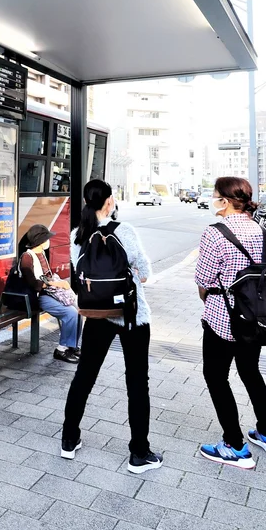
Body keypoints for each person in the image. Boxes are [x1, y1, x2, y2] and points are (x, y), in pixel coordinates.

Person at [61, 178, 163, 473]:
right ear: (109, 202)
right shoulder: (124, 230)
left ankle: (69, 440)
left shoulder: (78, 234)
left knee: (84, 376)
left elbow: (81, 273)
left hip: (97, 315)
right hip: (132, 316)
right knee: (137, 382)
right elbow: (144, 272)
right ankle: (139, 453)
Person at [194, 176, 266, 469]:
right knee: (250, 370)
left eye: (214, 195)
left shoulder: (215, 232)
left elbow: (204, 279)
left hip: (223, 319)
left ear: (224, 200)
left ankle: (234, 445)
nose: (212, 200)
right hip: (257, 319)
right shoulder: (262, 231)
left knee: (216, 376)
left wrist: (209, 298)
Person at [17, 224, 81, 363]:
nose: (48, 241)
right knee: (70, 313)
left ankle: (72, 346)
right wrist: (57, 284)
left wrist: (56, 283)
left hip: (48, 293)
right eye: (46, 239)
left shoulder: (41, 254)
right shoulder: (27, 258)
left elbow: (47, 277)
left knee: (78, 310)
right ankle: (61, 349)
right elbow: (34, 284)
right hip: (38, 297)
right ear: (40, 241)